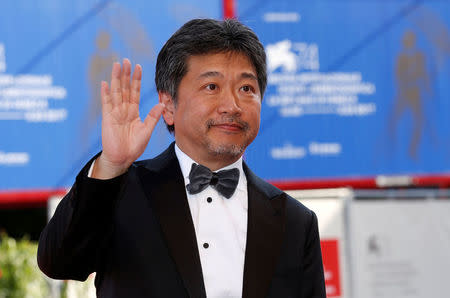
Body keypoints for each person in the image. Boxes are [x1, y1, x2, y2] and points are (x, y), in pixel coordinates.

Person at [38, 18, 325, 298]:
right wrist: (112, 164)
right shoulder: (121, 192)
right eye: (211, 87)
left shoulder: (296, 222)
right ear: (168, 105)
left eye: (246, 89)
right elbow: (60, 262)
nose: (232, 105)